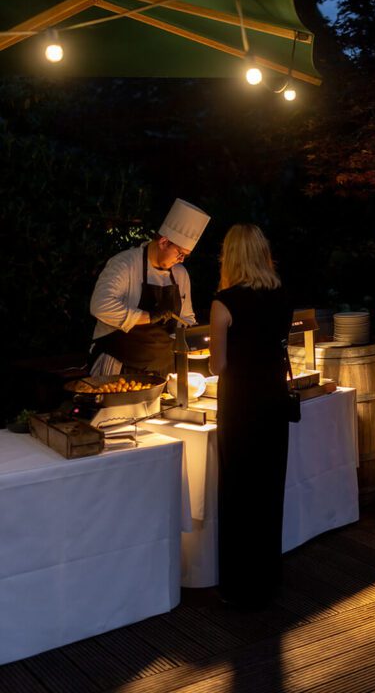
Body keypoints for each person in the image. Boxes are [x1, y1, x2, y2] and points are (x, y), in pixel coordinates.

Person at [209, 224, 293, 608]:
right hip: (273, 399)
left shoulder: (224, 302)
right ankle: (268, 575)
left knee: (238, 489)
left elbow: (218, 365)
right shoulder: (281, 296)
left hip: (240, 404)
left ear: (231, 257)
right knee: (269, 485)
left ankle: (239, 584)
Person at [89, 198, 210, 376]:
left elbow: (186, 318)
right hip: (119, 366)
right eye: (180, 253)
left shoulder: (180, 274)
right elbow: (99, 306)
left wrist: (196, 340)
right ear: (163, 242)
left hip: (165, 369)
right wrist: (149, 316)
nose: (181, 260)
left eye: (186, 256)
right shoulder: (125, 264)